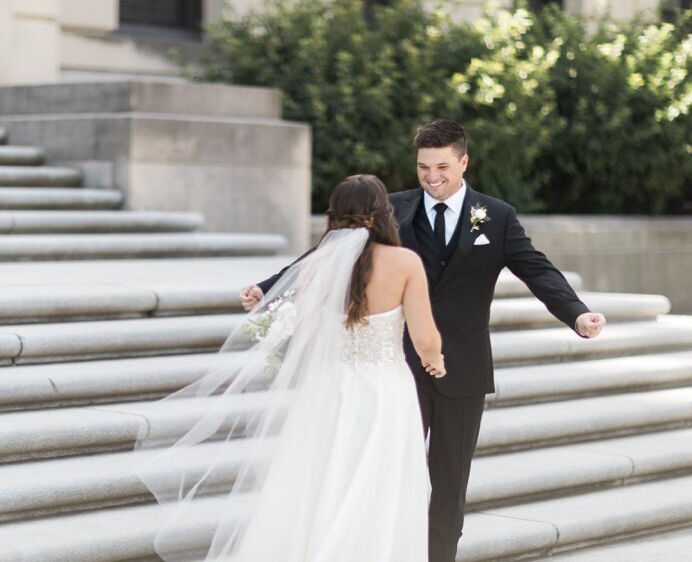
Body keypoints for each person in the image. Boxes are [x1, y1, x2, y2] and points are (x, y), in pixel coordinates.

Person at [241, 119, 607, 562]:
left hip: (464, 370)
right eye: (423, 168)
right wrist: (269, 285)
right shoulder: (392, 207)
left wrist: (577, 313)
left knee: (449, 487)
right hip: (397, 368)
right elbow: (329, 252)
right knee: (388, 476)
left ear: (463, 162)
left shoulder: (496, 215)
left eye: (442, 168)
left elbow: (538, 268)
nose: (432, 178)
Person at [136, 174, 444, 562]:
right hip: (384, 389)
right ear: (384, 214)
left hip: (329, 387)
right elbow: (425, 339)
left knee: (318, 482)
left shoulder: (319, 264)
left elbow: (310, 338)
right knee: (380, 482)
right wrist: (435, 361)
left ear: (334, 214)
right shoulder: (404, 263)